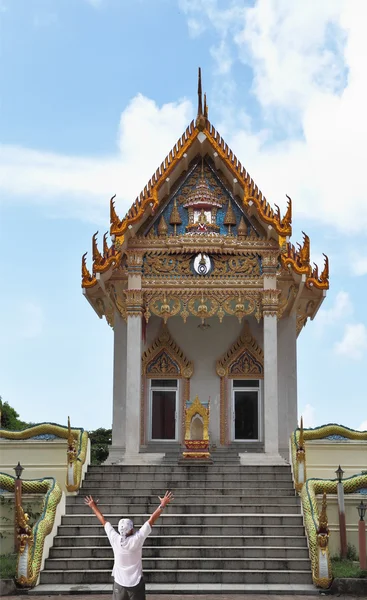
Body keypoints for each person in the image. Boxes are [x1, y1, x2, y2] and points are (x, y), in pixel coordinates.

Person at [84, 490, 174, 600]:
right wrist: (162, 504)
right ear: (131, 530)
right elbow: (151, 520)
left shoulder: (114, 538)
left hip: (119, 583)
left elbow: (103, 521)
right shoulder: (137, 539)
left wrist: (93, 506)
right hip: (136, 584)